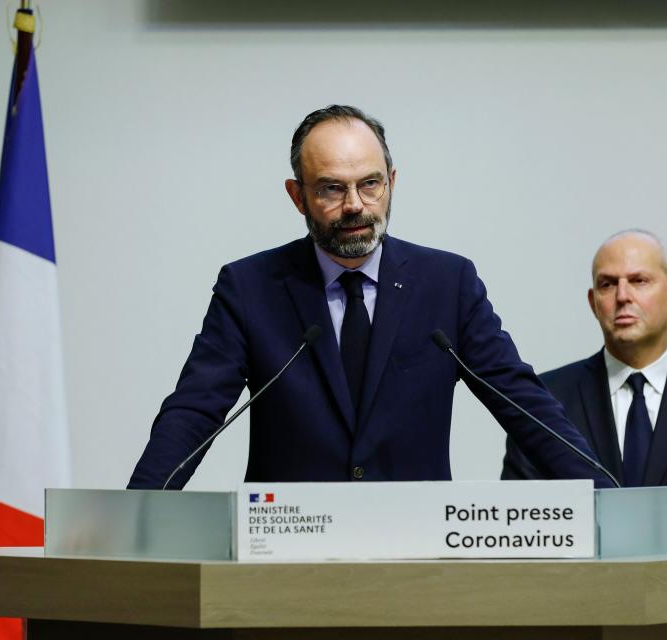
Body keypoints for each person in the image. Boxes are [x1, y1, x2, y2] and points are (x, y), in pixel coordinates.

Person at [128, 105, 613, 490]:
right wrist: (140, 515)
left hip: (416, 549)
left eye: (370, 184)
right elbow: (195, 409)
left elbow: (523, 403)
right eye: (332, 189)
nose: (355, 205)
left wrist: (608, 500)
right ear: (297, 197)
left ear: (392, 183)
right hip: (286, 552)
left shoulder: (447, 282)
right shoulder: (251, 288)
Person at [502, 230, 667, 542]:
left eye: (639, 280)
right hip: (576, 589)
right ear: (593, 302)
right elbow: (519, 525)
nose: (623, 296)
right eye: (607, 284)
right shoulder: (544, 399)